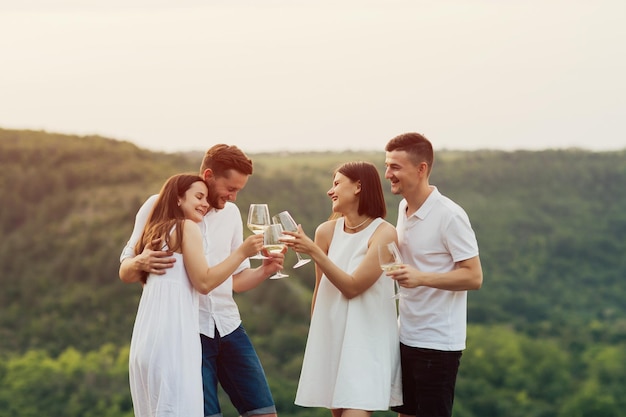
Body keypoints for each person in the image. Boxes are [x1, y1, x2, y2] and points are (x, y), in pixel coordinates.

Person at [120, 144, 283, 417]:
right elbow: (125, 269)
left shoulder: (230, 214)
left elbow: (235, 281)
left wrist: (265, 270)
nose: (233, 197)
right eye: (230, 189)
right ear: (209, 174)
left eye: (238, 191)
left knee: (264, 413)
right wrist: (140, 262)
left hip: (229, 325)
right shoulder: (157, 205)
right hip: (188, 332)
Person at [284, 161, 402, 417]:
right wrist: (318, 340)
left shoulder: (384, 233)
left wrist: (314, 251)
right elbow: (321, 288)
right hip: (334, 337)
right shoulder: (326, 231)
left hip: (367, 343)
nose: (330, 191)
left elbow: (353, 286)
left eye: (336, 183)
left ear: (358, 186)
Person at [383, 133, 483, 417]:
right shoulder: (403, 207)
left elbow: (474, 277)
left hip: (437, 345)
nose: (388, 173)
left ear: (421, 168)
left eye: (395, 167)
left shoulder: (450, 215)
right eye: (387, 165)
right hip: (405, 335)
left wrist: (420, 277)